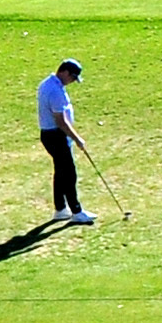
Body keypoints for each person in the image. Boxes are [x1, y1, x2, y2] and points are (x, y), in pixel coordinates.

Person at [37, 60, 94, 225]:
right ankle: (76, 211)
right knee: (69, 173)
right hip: (56, 136)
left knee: (61, 172)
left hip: (52, 135)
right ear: (65, 72)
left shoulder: (48, 83)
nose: (72, 82)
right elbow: (61, 122)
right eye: (72, 77)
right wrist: (78, 139)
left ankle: (61, 209)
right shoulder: (55, 91)